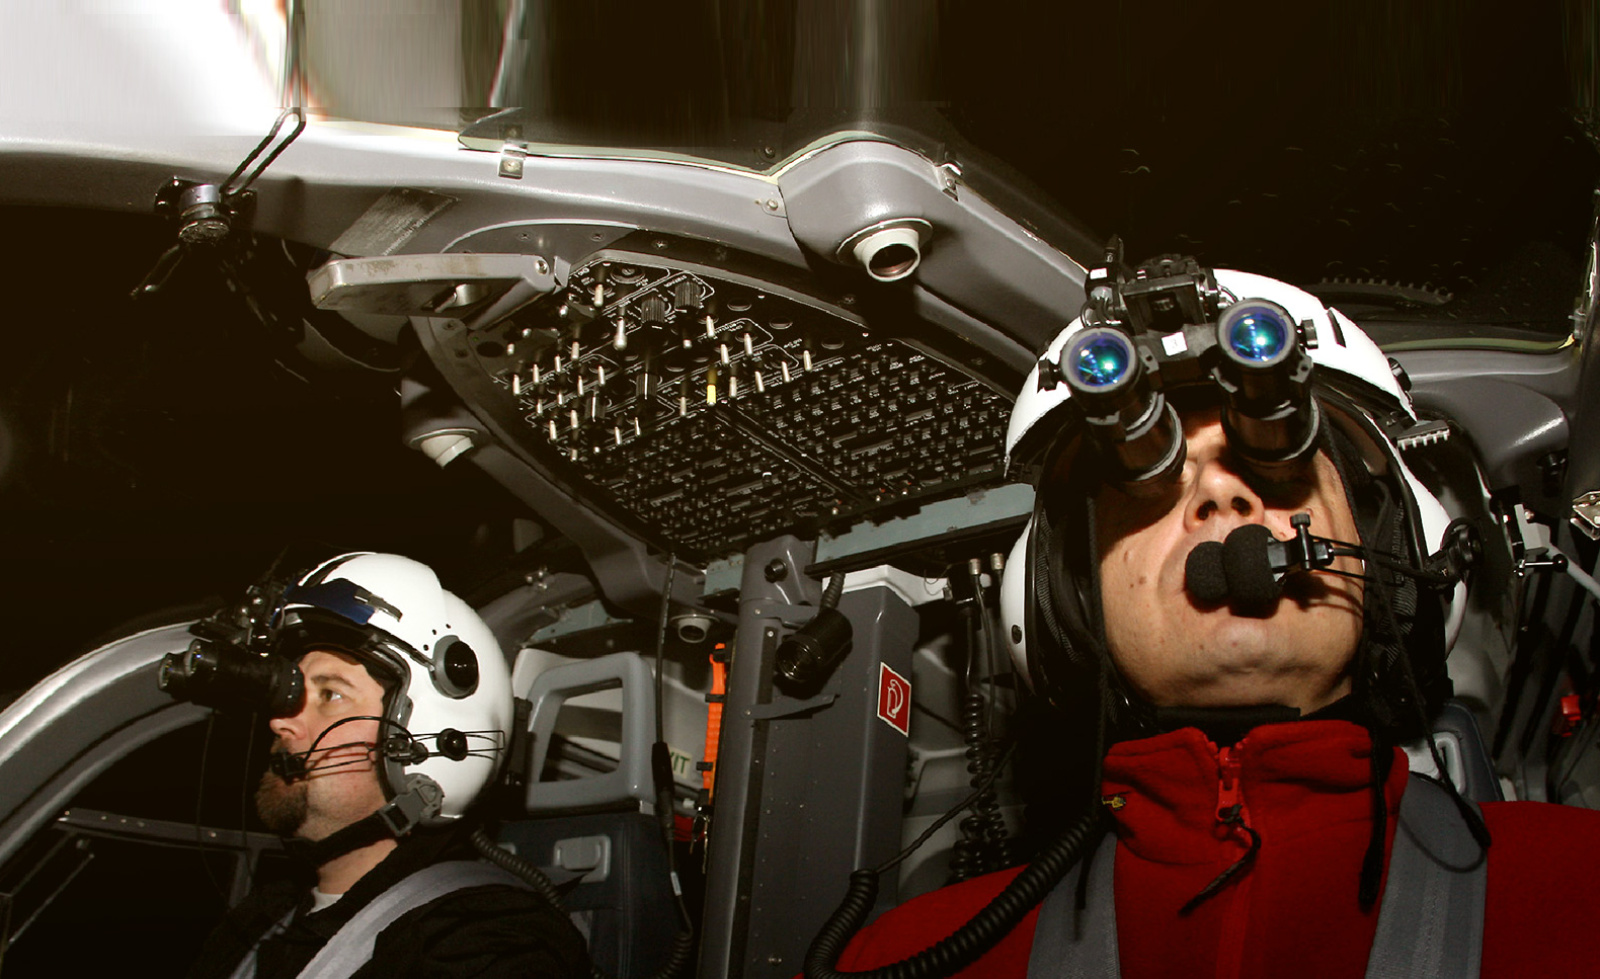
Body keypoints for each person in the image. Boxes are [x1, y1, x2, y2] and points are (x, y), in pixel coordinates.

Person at [823, 257, 1600, 977]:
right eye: (1150, 482)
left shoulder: (1580, 890)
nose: (1222, 498)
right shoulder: (904, 958)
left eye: (1279, 460)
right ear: (1066, 601)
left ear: (1400, 558)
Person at [178, 551, 591, 979]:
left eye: (330, 695)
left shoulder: (487, 944)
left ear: (429, 740)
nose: (281, 721)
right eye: (292, 695)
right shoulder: (257, 923)